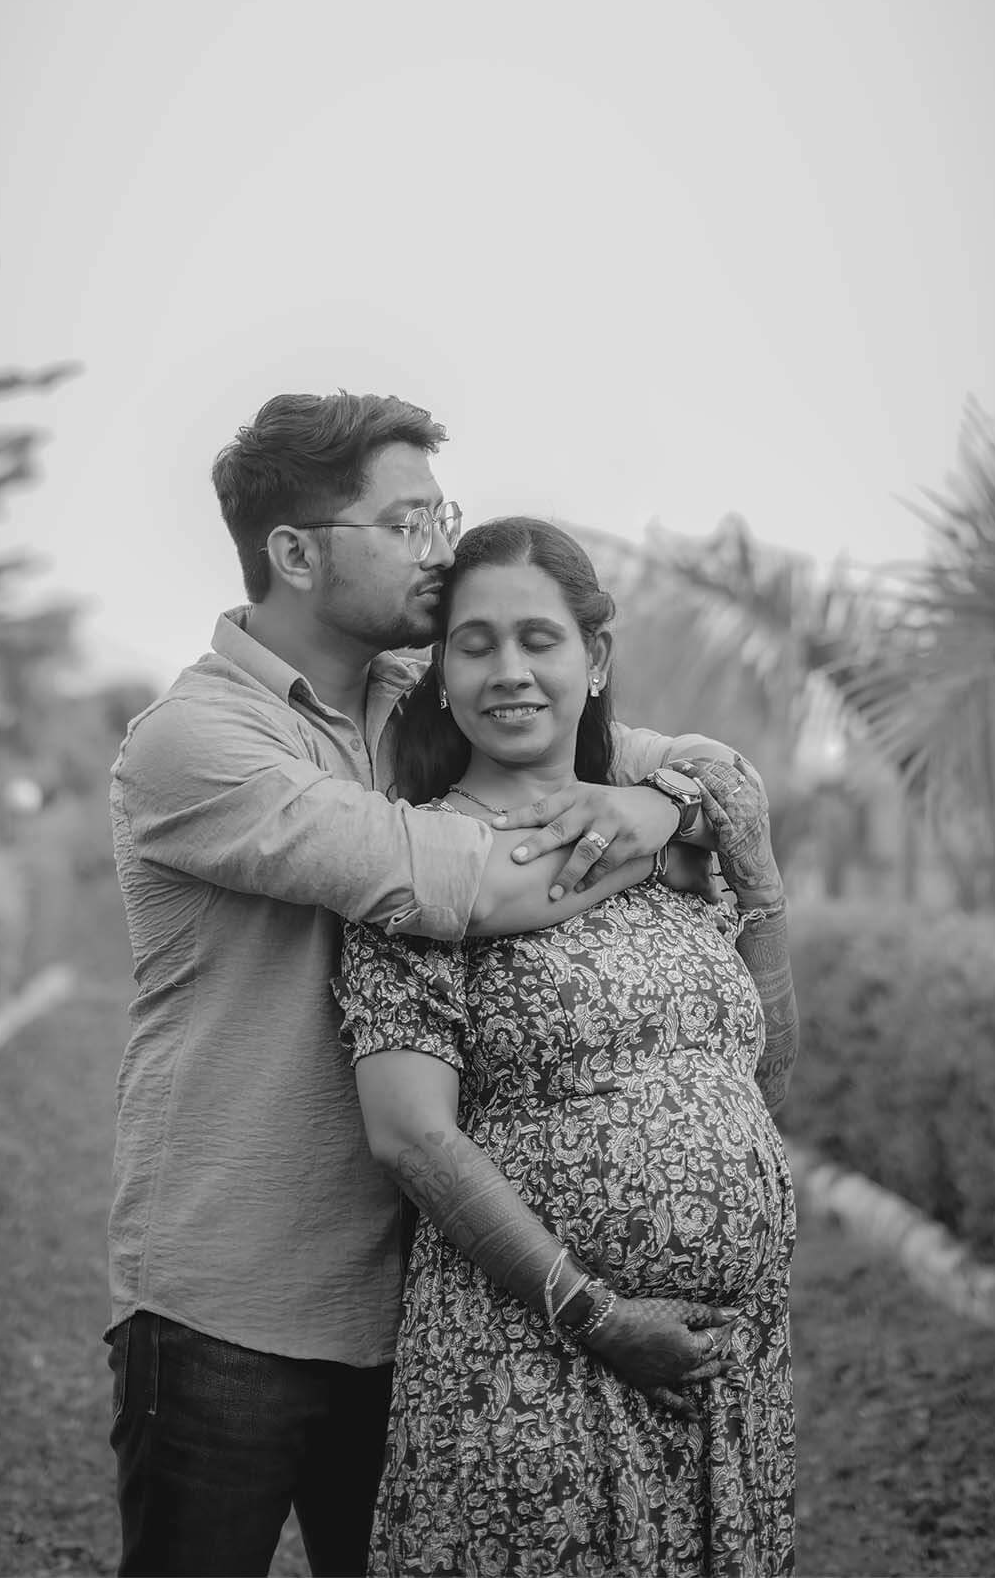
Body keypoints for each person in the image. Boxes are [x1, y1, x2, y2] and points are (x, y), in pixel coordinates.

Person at [106, 391, 754, 1578]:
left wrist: (656, 802)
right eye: (407, 522)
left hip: (419, 1295)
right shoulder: (194, 742)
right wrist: (652, 831)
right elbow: (455, 879)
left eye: (441, 516)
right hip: (229, 1304)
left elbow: (698, 766)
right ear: (295, 551)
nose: (438, 549)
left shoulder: (421, 688)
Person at [336, 516, 798, 1577]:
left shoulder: (670, 843)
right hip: (531, 1365)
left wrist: (759, 882)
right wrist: (595, 1313)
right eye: (475, 644)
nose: (509, 669)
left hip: (727, 1373)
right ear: (441, 675)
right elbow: (410, 1137)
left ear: (593, 659)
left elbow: (765, 1082)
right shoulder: (420, 869)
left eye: (538, 639)